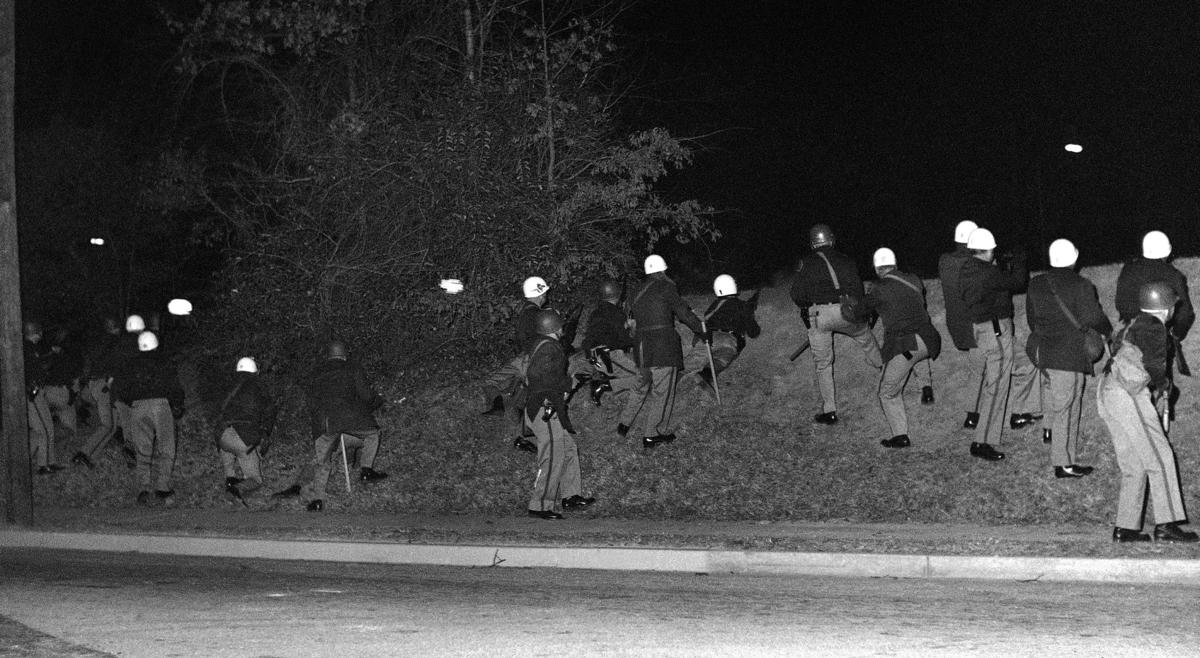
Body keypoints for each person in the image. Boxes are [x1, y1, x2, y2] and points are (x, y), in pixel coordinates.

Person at [1099, 282, 1198, 543]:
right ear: (1166, 308)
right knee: (1161, 456)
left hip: (1109, 391)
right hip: (1129, 394)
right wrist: (1166, 387)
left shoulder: (1135, 323)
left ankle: (1126, 527)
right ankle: (1167, 524)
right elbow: (1154, 365)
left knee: (1134, 463)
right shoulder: (1155, 328)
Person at [1025, 239, 1112, 478]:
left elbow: (1031, 320)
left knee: (1061, 398)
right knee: (1068, 405)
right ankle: (1063, 463)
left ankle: (1051, 435)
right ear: (1073, 258)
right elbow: (1094, 318)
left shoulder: (1036, 283)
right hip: (1070, 353)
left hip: (1043, 350)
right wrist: (1108, 331)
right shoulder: (1081, 285)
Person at [276, 340, 388, 512]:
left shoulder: (316, 373)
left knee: (323, 461)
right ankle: (366, 470)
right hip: (351, 419)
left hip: (324, 423)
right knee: (373, 434)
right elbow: (366, 396)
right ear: (344, 355)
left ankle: (318, 500)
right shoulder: (352, 368)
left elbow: (311, 402)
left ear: (328, 355)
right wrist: (377, 401)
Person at [789, 223, 882, 424]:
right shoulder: (846, 260)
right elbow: (857, 291)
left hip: (820, 315)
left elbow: (796, 295)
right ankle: (884, 369)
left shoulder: (806, 263)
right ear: (832, 239)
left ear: (813, 243)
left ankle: (829, 411)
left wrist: (811, 303)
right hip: (846, 310)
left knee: (823, 365)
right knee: (865, 337)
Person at [959, 228, 1038, 461]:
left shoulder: (968, 268)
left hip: (986, 328)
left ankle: (1020, 411)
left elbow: (997, 285)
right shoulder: (986, 272)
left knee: (1025, 362)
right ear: (989, 249)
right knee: (997, 385)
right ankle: (981, 441)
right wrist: (1020, 261)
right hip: (995, 330)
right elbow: (1017, 282)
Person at [618, 254, 706, 448]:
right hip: (662, 347)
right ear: (662, 270)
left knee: (640, 385)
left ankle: (624, 424)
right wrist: (701, 329)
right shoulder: (667, 287)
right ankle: (652, 434)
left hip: (640, 347)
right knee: (662, 392)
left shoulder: (635, 291)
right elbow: (684, 314)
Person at [864, 248, 942, 448]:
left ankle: (900, 435)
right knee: (917, 354)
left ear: (876, 267)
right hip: (930, 340)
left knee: (887, 391)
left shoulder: (878, 287)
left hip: (907, 344)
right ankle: (925, 385)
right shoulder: (914, 280)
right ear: (895, 264)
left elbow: (859, 311)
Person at [525, 309, 594, 519]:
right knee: (553, 455)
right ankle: (540, 505)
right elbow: (545, 379)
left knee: (568, 449)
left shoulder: (539, 344)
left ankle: (570, 496)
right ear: (555, 327)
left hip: (545, 405)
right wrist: (571, 381)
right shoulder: (549, 348)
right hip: (545, 408)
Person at [111, 331, 185, 505]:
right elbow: (173, 384)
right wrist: (178, 403)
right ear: (156, 344)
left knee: (142, 449)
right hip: (160, 406)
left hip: (138, 407)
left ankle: (143, 489)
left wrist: (133, 401)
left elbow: (121, 389)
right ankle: (162, 488)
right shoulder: (163, 361)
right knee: (166, 448)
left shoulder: (130, 364)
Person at [1114, 230, 1194, 383]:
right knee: (1159, 382)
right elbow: (1185, 315)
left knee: (1133, 383)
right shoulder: (1173, 275)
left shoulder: (1128, 270)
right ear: (1167, 252)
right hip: (1159, 335)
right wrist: (1175, 334)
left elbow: (1120, 305)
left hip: (1130, 334)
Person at [480, 276, 552, 416]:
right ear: (540, 294)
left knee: (491, 381)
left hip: (524, 357)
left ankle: (500, 406)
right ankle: (517, 410)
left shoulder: (525, 312)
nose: (546, 295)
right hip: (531, 358)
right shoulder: (539, 316)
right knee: (524, 382)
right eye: (544, 293)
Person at [938, 220, 984, 428]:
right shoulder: (975, 264)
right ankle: (972, 414)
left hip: (954, 325)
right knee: (979, 370)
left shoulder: (944, 260)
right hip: (973, 325)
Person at [215, 357, 277, 501]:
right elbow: (269, 409)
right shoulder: (257, 385)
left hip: (221, 435)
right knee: (256, 479)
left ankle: (230, 478)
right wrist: (265, 432)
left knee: (228, 446)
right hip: (241, 437)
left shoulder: (228, 384)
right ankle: (236, 489)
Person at [73, 317, 129, 469]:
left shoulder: (99, 342)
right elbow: (115, 363)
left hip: (97, 384)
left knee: (112, 425)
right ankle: (82, 454)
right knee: (107, 424)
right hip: (103, 384)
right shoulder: (111, 342)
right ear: (115, 328)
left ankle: (90, 457)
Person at [694, 274, 762, 392]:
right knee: (722, 358)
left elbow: (706, 319)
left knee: (691, 361)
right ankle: (706, 374)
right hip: (727, 339)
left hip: (705, 338)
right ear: (732, 286)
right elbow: (753, 332)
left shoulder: (714, 305)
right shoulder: (741, 306)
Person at [580, 279, 636, 407]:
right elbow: (625, 341)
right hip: (608, 358)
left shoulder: (596, 313)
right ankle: (604, 385)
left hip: (595, 358)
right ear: (618, 294)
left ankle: (607, 376)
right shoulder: (616, 313)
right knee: (646, 378)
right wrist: (632, 329)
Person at [23, 321, 62, 474]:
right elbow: (36, 368)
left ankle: (50, 462)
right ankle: (42, 466)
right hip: (31, 393)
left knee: (49, 426)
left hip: (38, 391)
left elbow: (39, 364)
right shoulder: (25, 348)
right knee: (42, 429)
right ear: (36, 332)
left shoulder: (33, 348)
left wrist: (51, 354)